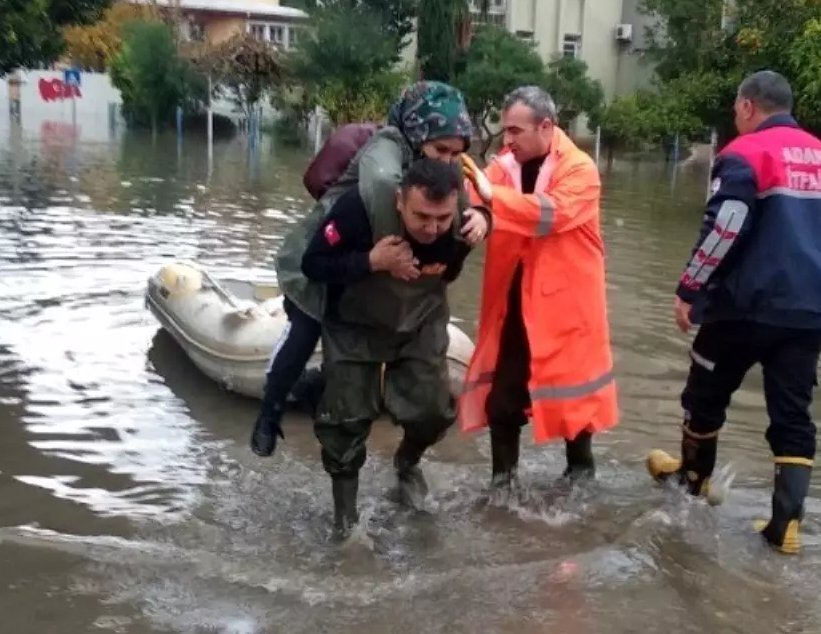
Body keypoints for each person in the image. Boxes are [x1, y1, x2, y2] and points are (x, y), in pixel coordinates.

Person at [647, 70, 821, 554]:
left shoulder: (744, 154)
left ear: (746, 106)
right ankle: (786, 526)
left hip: (744, 309)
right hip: (812, 311)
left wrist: (689, 288)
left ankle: (692, 482)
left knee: (704, 395)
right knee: (792, 412)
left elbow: (727, 225)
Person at [251, 82, 485, 457]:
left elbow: (460, 201)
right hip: (325, 249)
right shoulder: (387, 147)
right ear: (418, 133)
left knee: (353, 351)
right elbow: (382, 186)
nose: (447, 160)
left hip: (371, 265)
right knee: (306, 329)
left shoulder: (441, 164)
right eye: (441, 149)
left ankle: (317, 387)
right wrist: (400, 258)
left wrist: (481, 217)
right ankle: (269, 413)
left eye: (455, 154)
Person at [459, 85, 618, 491]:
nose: (506, 140)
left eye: (515, 131)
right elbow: (477, 195)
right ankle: (502, 488)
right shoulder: (507, 165)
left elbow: (553, 214)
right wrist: (480, 211)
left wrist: (494, 201)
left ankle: (580, 483)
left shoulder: (579, 169)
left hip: (567, 310)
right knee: (503, 399)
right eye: (505, 130)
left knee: (574, 404)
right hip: (516, 302)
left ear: (546, 126)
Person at [302, 156, 472, 538]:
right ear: (399, 201)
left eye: (442, 219)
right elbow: (312, 264)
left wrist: (483, 222)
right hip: (354, 324)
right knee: (345, 423)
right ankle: (345, 522)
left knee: (433, 411)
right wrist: (370, 261)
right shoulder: (357, 211)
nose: (432, 228)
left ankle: (407, 463)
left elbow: (453, 266)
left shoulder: (464, 221)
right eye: (421, 217)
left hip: (420, 320)